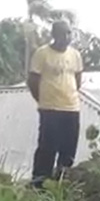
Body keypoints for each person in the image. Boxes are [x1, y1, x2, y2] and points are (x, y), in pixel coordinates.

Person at [27, 21, 84, 186]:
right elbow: (32, 81)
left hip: (71, 108)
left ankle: (62, 181)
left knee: (69, 148)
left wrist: (70, 95)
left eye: (69, 33)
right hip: (50, 108)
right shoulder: (42, 53)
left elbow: (77, 79)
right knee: (47, 147)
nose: (66, 37)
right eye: (62, 33)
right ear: (54, 34)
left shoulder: (75, 55)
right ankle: (39, 183)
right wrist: (42, 100)